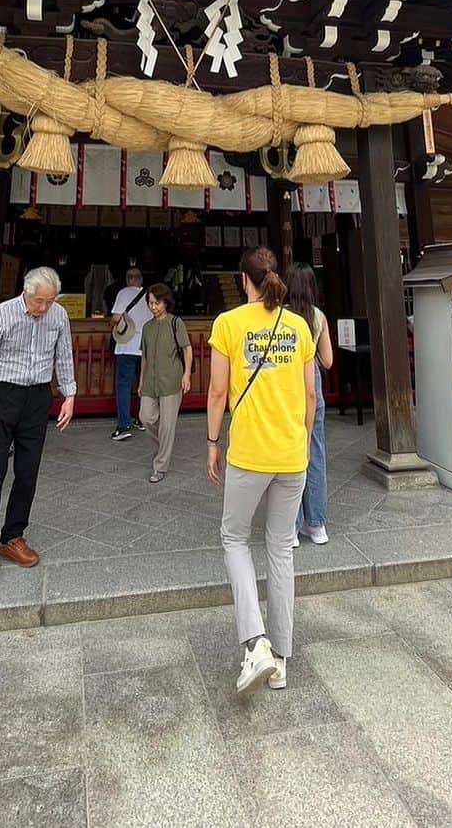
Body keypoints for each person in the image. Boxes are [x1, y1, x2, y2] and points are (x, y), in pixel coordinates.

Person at [207, 246, 316, 696]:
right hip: (292, 453)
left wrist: (212, 442)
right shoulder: (298, 326)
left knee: (234, 538)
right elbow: (311, 397)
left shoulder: (228, 324)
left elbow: (216, 392)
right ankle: (283, 658)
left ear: (244, 281)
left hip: (249, 452)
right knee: (281, 550)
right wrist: (304, 443)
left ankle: (256, 645)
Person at [0, 267, 76, 590]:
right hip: (2, 396)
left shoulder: (58, 316)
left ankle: (13, 536)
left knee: (27, 472)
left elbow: (64, 354)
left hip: (37, 397)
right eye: (38, 301)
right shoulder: (2, 314)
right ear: (26, 293)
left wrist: (69, 394)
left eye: (49, 301)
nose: (43, 308)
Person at [284, 263, 334, 546]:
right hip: (310, 380)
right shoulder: (318, 317)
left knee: (288, 456)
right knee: (314, 454)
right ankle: (317, 526)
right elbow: (327, 361)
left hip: (287, 385)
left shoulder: (281, 316)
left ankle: (290, 528)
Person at [138, 283, 192, 483]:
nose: (153, 307)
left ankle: (160, 466)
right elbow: (144, 357)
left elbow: (187, 349)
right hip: (150, 382)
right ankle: (164, 448)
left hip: (171, 380)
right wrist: (141, 381)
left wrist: (186, 374)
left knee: (168, 425)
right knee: (146, 418)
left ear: (166, 303)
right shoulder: (147, 328)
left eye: (157, 303)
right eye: (150, 303)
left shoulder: (175, 323)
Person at [110, 267, 151, 440]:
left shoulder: (124, 293)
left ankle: (124, 425)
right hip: (145, 346)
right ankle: (142, 420)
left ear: (128, 279)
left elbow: (116, 318)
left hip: (126, 345)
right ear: (140, 279)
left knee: (124, 385)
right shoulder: (150, 295)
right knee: (143, 384)